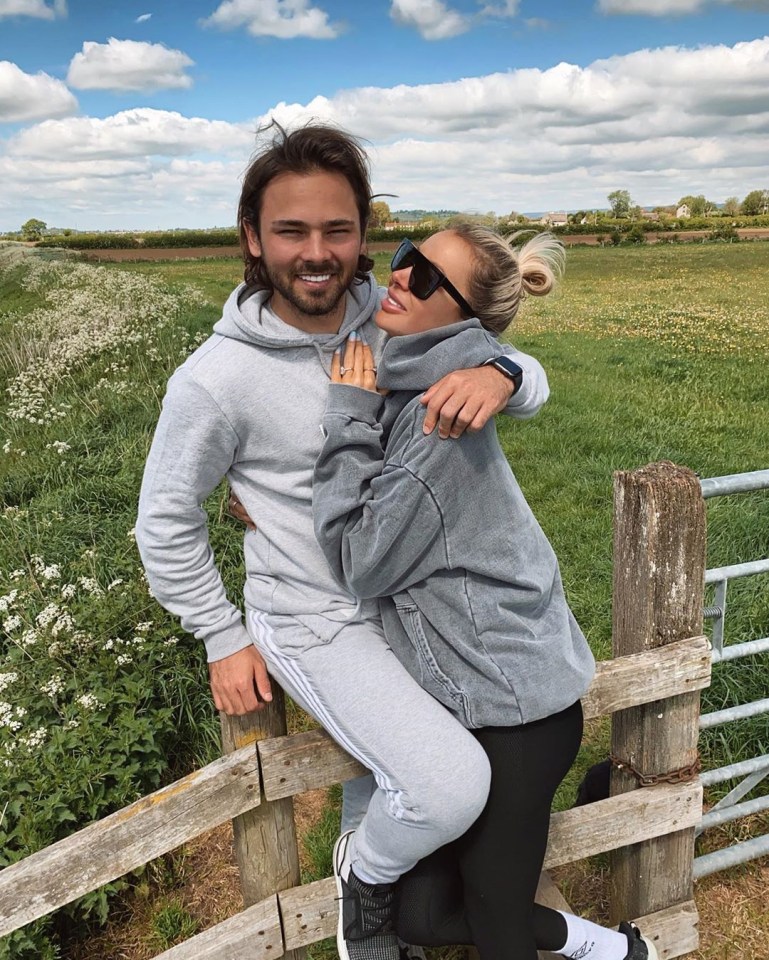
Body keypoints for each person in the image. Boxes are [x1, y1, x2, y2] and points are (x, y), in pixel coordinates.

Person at [135, 122, 554, 960]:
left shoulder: (388, 315)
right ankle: (361, 887)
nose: (316, 252)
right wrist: (221, 635)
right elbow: (165, 518)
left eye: (338, 229)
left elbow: (521, 371)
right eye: (290, 231)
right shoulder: (214, 381)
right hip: (316, 620)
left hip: (409, 602)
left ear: (363, 233)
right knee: (444, 785)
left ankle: (396, 912)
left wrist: (501, 374)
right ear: (253, 238)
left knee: (390, 776)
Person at [311, 226, 659, 960]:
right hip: (474, 701)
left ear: (462, 322)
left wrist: (345, 415)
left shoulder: (439, 422)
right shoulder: (418, 368)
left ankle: (614, 952)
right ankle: (609, 950)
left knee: (495, 923)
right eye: (406, 256)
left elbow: (361, 561)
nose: (398, 279)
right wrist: (507, 368)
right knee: (420, 920)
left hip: (516, 714)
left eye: (426, 279)